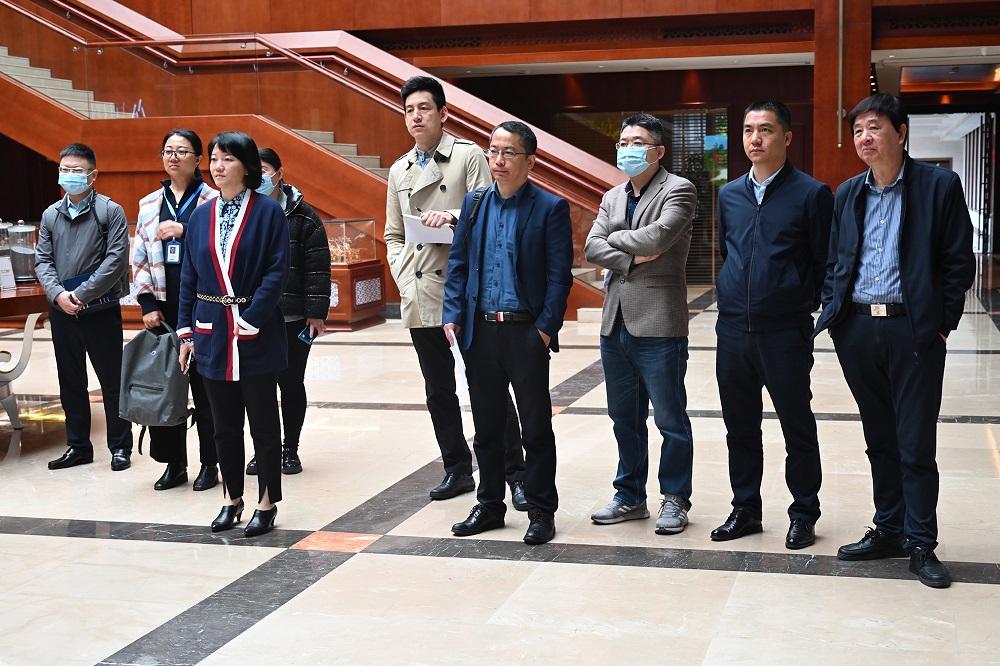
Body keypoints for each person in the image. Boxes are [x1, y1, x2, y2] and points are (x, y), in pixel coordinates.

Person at [814, 93, 975, 588]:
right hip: (858, 329)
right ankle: (888, 528)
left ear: (901, 133)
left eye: (875, 127)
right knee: (879, 438)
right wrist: (836, 316)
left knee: (915, 442)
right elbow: (836, 261)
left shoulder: (938, 186)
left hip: (913, 330)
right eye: (858, 130)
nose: (865, 137)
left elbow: (958, 262)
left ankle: (921, 542)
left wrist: (940, 324)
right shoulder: (848, 193)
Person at [385, 75, 527, 507]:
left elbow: (491, 213)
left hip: (466, 292)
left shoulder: (467, 155)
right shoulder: (399, 169)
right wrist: (404, 278)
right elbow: (393, 234)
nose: (416, 117)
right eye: (409, 110)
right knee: (438, 390)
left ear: (443, 113)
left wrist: (451, 216)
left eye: (424, 108)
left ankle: (515, 473)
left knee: (488, 386)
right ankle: (457, 468)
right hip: (421, 290)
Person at [443, 121, 574, 545]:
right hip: (480, 332)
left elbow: (560, 278)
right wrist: (453, 313)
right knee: (487, 427)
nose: (498, 160)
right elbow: (458, 263)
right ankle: (489, 505)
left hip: (525, 333)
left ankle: (541, 510)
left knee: (535, 427)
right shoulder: (474, 203)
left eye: (508, 153)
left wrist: (545, 330)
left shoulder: (550, 207)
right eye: (493, 151)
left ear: (530, 161)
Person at [711, 101, 833, 549]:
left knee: (796, 426)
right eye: (748, 130)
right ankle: (745, 509)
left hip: (784, 331)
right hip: (732, 331)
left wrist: (797, 301)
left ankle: (803, 513)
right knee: (739, 427)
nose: (755, 138)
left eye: (765, 129)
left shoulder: (811, 194)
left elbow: (825, 262)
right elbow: (727, 252)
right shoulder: (729, 194)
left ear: (787, 137)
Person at [584, 114, 697, 535]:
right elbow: (591, 247)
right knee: (624, 418)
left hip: (660, 321)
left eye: (637, 142)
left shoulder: (679, 189)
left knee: (670, 419)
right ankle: (629, 496)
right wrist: (631, 254)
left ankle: (675, 498)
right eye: (623, 142)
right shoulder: (612, 196)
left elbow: (659, 238)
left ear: (658, 151)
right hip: (615, 322)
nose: (627, 149)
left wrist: (613, 241)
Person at [177, 131, 290, 538]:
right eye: (213, 159)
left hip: (253, 329)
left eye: (227, 158)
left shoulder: (268, 211)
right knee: (222, 423)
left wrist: (254, 317)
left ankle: (266, 501)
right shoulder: (200, 215)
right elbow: (189, 276)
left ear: (247, 166)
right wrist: (186, 332)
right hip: (211, 330)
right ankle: (231, 498)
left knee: (263, 422)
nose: (218, 166)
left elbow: (277, 271)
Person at [36, 143, 134, 472]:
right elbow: (43, 261)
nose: (69, 175)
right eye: (65, 169)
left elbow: (116, 261)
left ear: (93, 175)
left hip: (100, 310)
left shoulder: (110, 211)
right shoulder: (51, 214)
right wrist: (58, 295)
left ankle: (120, 447)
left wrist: (81, 295)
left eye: (76, 170)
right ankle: (78, 446)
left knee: (112, 381)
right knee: (70, 381)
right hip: (62, 311)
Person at [132, 129, 220, 491]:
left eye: (182, 151)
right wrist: (147, 303)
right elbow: (138, 257)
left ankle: (211, 463)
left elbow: (221, 249)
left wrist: (186, 230)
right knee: (165, 388)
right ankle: (174, 463)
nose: (173, 157)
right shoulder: (149, 203)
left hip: (204, 306)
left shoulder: (214, 200)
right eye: (168, 151)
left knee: (206, 391)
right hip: (163, 310)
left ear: (198, 159)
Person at [243, 147, 331, 475]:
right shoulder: (243, 212)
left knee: (291, 383)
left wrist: (316, 312)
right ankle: (263, 450)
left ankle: (289, 449)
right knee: (258, 388)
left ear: (279, 174)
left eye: (265, 170)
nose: (259, 176)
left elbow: (318, 268)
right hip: (253, 318)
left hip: (293, 318)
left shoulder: (304, 216)